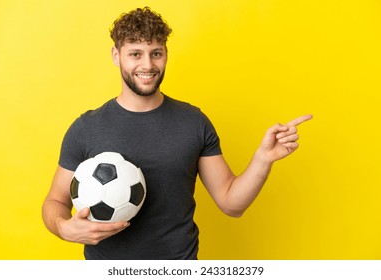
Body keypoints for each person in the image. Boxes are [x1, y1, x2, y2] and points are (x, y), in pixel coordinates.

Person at [42, 7, 312, 260]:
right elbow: (55, 201)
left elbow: (232, 204)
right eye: (135, 54)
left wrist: (263, 159)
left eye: (156, 53)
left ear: (166, 54)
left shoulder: (193, 122)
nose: (147, 65)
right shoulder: (87, 128)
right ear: (116, 56)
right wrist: (63, 228)